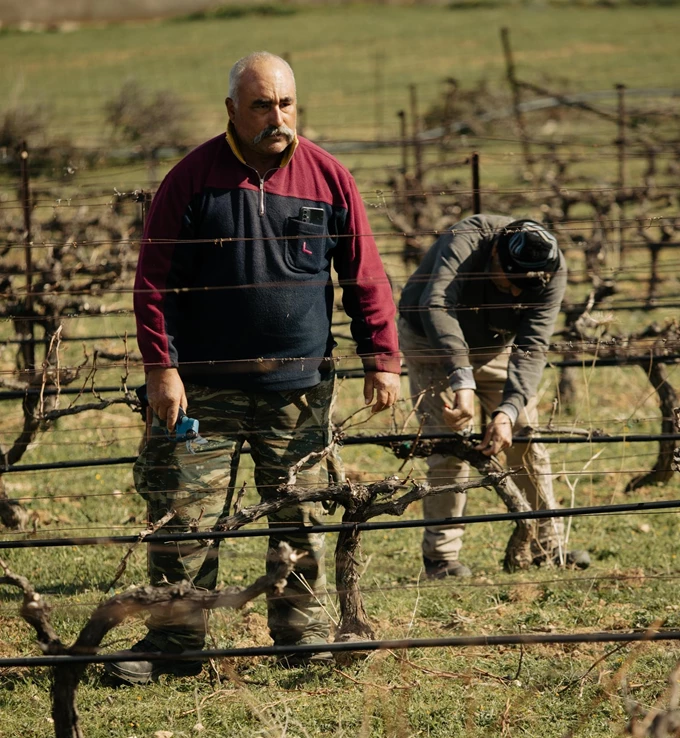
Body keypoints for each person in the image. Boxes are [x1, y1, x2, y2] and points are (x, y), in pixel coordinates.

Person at [105, 52, 400, 685]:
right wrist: (162, 369)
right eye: (262, 105)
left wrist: (382, 358)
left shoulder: (329, 177)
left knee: (301, 512)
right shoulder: (191, 179)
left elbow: (365, 276)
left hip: (298, 389)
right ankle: (176, 648)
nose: (277, 117)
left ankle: (304, 641)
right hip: (200, 389)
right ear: (232, 110)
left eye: (286, 103)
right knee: (183, 517)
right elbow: (152, 284)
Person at [398, 214, 573, 580]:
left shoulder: (551, 270)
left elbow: (532, 346)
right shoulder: (465, 240)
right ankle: (442, 559)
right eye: (509, 282)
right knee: (447, 446)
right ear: (495, 253)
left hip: (495, 345)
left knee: (524, 437)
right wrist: (461, 381)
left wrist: (508, 411)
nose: (513, 294)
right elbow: (437, 304)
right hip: (430, 340)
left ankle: (548, 545)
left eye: (523, 288)